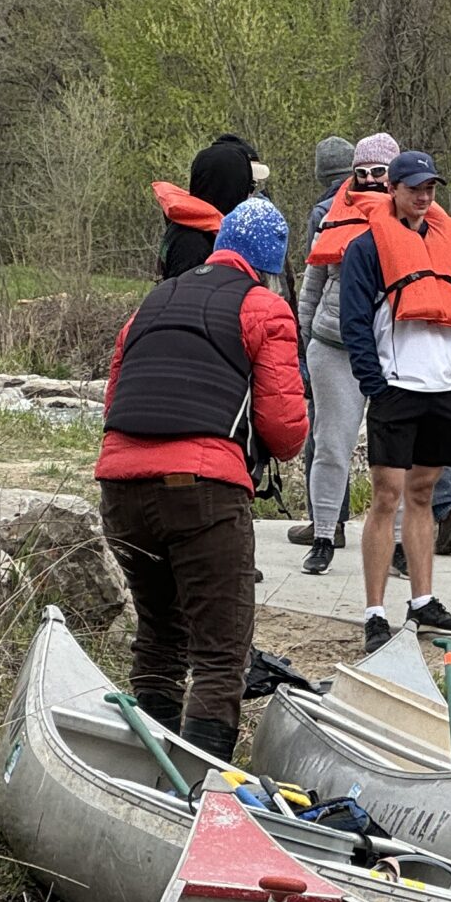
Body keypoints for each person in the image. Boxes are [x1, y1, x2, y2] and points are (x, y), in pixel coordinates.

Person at [96, 195, 307, 761]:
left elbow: (115, 401)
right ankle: (196, 784)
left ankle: (149, 767)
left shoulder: (151, 302)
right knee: (219, 653)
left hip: (119, 487)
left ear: (220, 247)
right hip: (202, 491)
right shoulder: (265, 308)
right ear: (271, 263)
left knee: (160, 635)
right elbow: (285, 432)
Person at [339, 149, 451, 650]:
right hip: (396, 388)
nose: (424, 196)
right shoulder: (366, 248)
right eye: (415, 187)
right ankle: (375, 613)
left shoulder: (448, 242)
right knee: (386, 497)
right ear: (393, 189)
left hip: (445, 390)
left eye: (431, 189)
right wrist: (375, 383)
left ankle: (423, 603)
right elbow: (354, 323)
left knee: (423, 494)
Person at [293, 136, 396, 573]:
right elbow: (312, 284)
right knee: (331, 448)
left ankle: (402, 545)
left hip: (395, 352)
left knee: (396, 454)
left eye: (380, 172)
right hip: (334, 346)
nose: (370, 180)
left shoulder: (421, 220)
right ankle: (323, 535)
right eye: (363, 172)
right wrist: (303, 342)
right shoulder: (331, 217)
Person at [152, 133, 258, 280]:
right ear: (232, 187)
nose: (249, 194)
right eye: (248, 186)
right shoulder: (193, 245)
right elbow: (186, 300)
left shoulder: (188, 227)